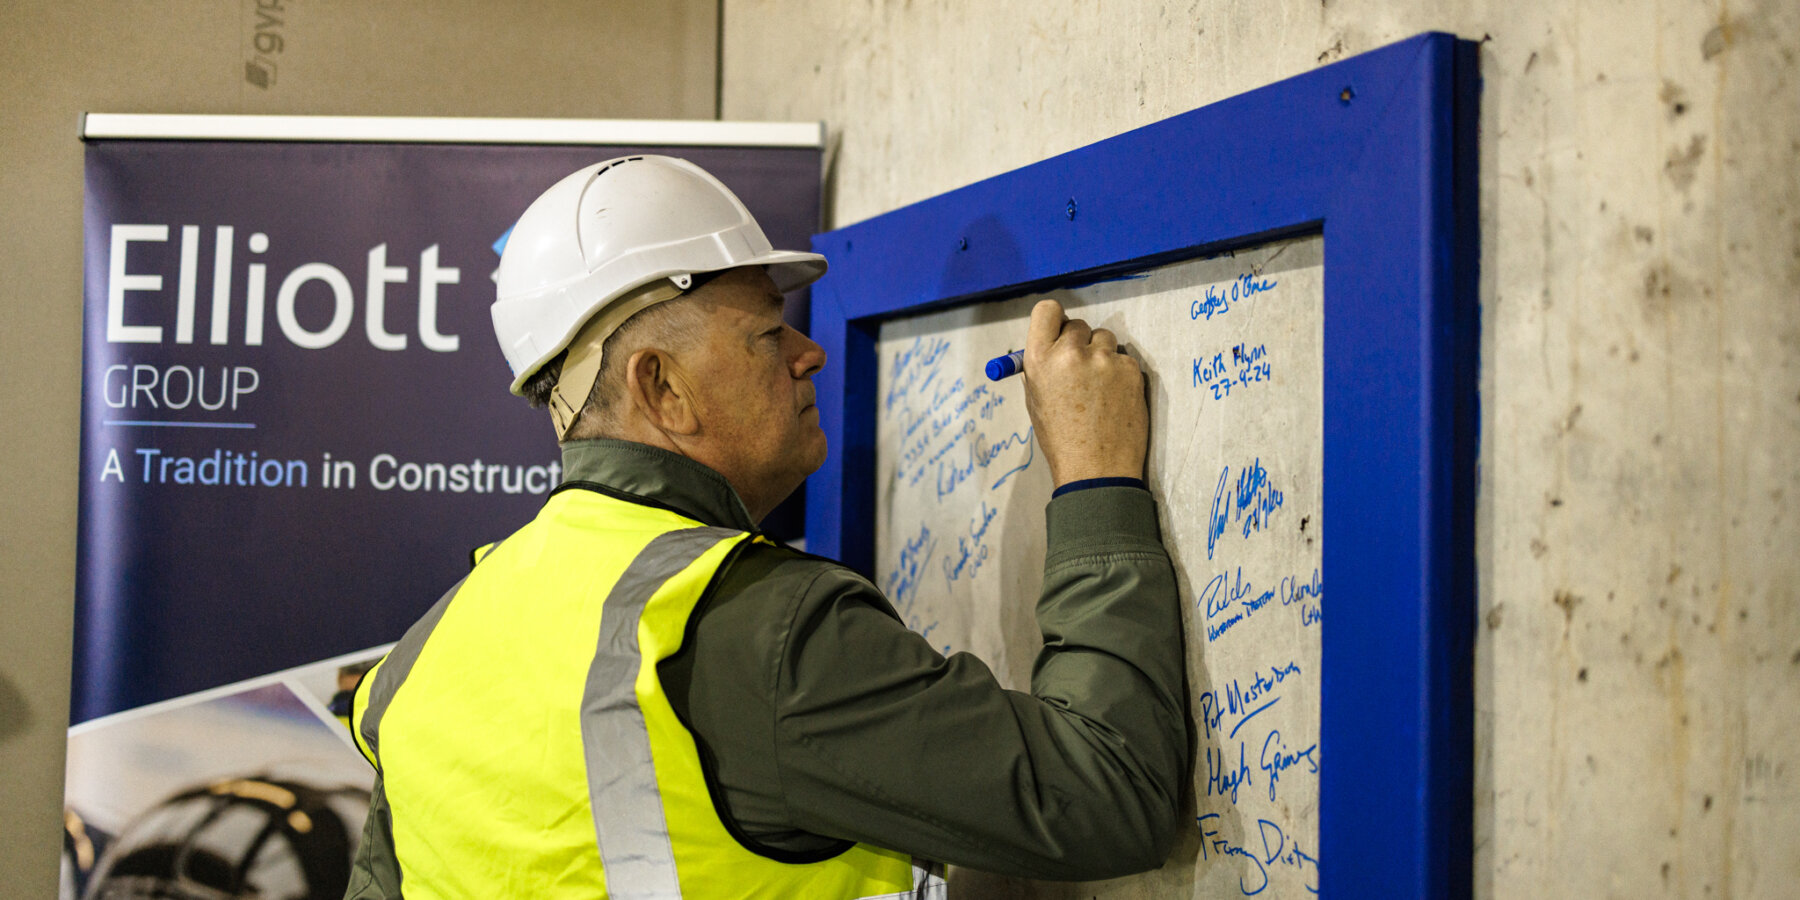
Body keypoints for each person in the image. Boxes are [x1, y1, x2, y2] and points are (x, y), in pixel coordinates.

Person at [345, 155, 1188, 898]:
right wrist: (1098, 476)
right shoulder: (756, 632)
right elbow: (1111, 794)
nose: (807, 351)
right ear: (661, 388)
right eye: (763, 332)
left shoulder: (428, 651)